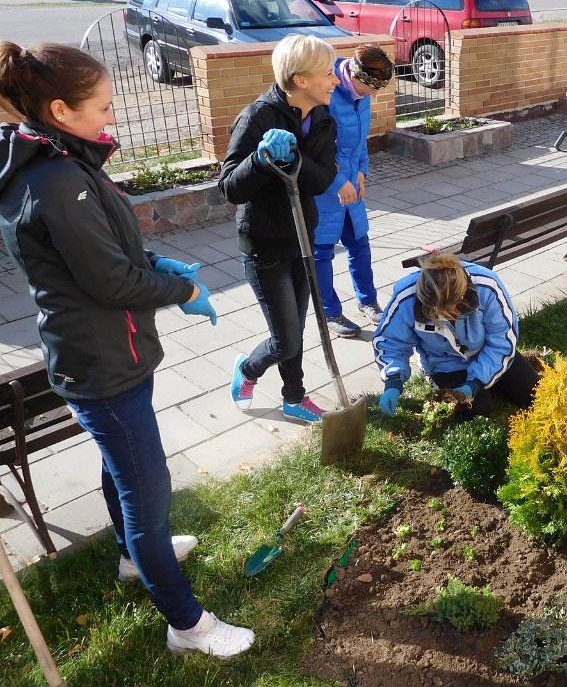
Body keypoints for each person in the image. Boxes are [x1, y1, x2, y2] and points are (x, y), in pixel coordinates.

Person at [0, 42, 253, 658]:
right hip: (100, 361)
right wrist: (184, 285)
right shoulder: (56, 180)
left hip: (111, 351)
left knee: (126, 468)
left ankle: (132, 560)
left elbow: (108, 250)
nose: (113, 116)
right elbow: (110, 282)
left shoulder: (64, 159)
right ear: (60, 109)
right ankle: (187, 624)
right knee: (148, 491)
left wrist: (151, 261)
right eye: (105, 106)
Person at [220, 35, 340, 423]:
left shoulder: (323, 119)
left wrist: (295, 159)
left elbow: (320, 181)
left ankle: (293, 397)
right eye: (327, 73)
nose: (335, 80)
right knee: (285, 337)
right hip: (264, 244)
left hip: (302, 238)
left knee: (296, 330)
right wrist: (260, 158)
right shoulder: (257, 117)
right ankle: (248, 369)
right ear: (301, 80)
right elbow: (230, 188)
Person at [372, 253, 539, 419]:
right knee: (476, 410)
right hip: (445, 364)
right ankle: (487, 385)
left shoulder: (487, 286)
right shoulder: (406, 297)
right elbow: (390, 342)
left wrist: (476, 381)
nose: (443, 316)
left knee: (534, 395)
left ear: (463, 295)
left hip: (486, 352)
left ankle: (489, 379)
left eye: (450, 310)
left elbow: (502, 340)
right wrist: (393, 380)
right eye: (435, 312)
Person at [313, 44, 394, 338]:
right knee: (321, 251)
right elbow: (314, 150)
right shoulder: (326, 92)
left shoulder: (362, 90)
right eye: (371, 89)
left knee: (359, 243)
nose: (374, 95)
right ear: (353, 76)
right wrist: (339, 183)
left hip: (351, 183)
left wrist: (361, 172)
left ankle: (368, 302)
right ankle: (329, 312)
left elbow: (361, 140)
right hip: (324, 188)